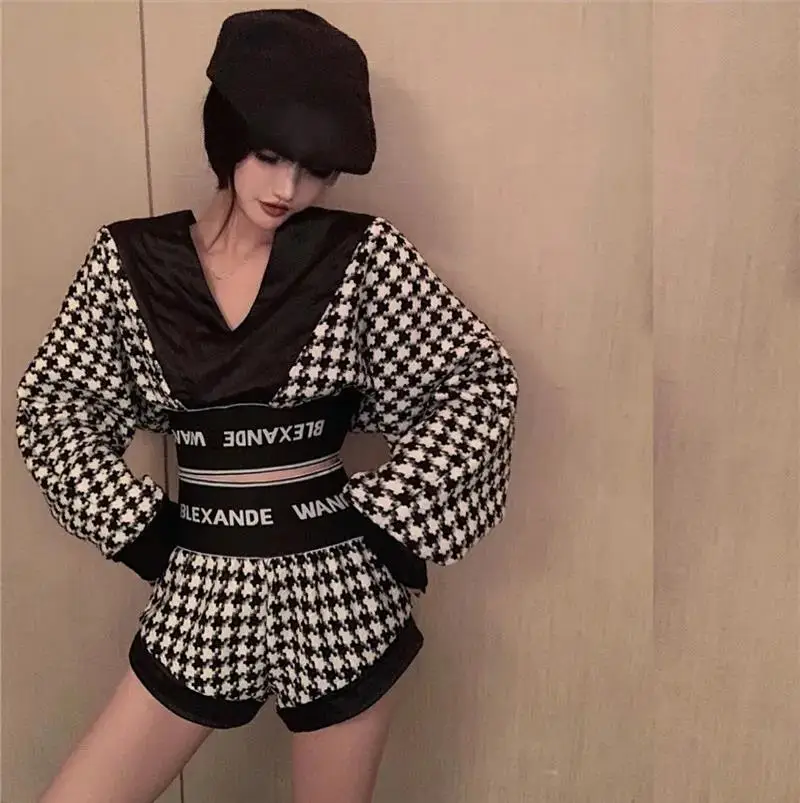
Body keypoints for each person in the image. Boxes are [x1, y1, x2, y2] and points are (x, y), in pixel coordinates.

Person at [15, 9, 519, 803]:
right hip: (200, 582)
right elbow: (54, 406)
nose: (288, 189)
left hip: (341, 589)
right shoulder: (133, 262)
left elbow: (478, 379)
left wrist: (388, 519)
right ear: (228, 133)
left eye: (316, 169)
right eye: (271, 155)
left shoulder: (358, 254)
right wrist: (142, 529)